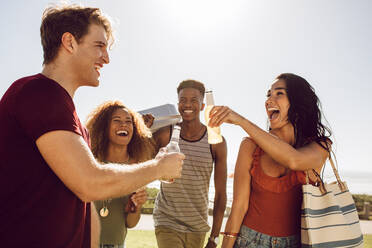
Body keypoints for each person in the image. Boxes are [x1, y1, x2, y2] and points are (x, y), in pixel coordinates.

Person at [0, 4, 183, 247]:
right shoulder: (38, 92)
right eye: (99, 46)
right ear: (70, 42)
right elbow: (90, 183)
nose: (106, 58)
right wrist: (159, 168)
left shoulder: (72, 120)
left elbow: (85, 205)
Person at [208, 73, 332, 248]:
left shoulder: (320, 146)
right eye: (268, 95)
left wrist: (241, 121)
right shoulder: (250, 146)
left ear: (297, 101)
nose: (268, 100)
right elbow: (239, 207)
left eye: (278, 93)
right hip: (248, 241)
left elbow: (294, 161)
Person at [152, 80, 228, 248]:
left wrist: (214, 237)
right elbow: (139, 159)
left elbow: (221, 194)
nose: (187, 104)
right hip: (167, 221)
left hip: (198, 227)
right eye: (182, 99)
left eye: (194, 100)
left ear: (202, 105)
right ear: (177, 103)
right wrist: (143, 128)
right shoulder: (165, 134)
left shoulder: (216, 141)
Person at [86, 100, 155, 248]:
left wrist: (136, 206)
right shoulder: (91, 161)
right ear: (104, 127)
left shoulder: (137, 167)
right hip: (85, 241)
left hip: (117, 244)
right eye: (117, 120)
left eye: (128, 121)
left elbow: (130, 223)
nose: (123, 125)